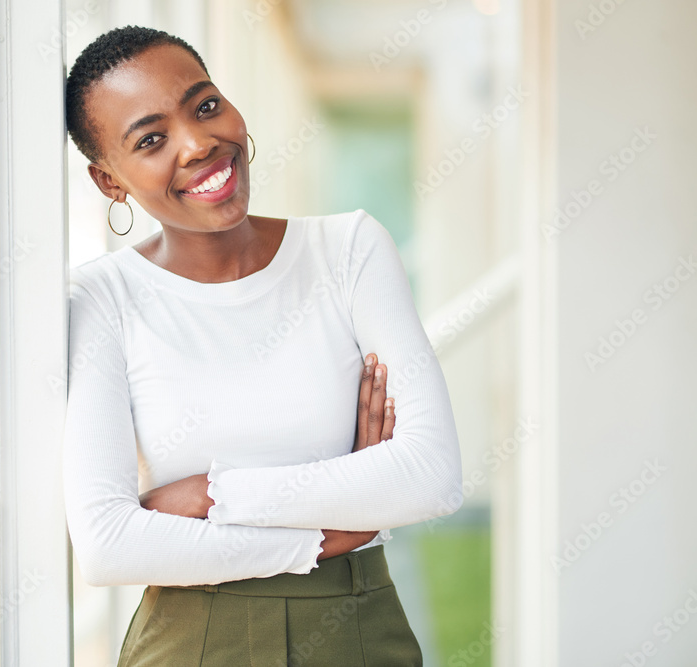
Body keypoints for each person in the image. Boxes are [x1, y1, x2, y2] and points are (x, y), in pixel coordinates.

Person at [62, 25, 463, 666]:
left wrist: (212, 496)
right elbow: (111, 544)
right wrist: (329, 532)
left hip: (357, 634)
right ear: (110, 181)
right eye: (151, 139)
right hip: (189, 643)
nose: (199, 143)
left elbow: (431, 475)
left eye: (206, 105)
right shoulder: (101, 298)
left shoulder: (350, 250)